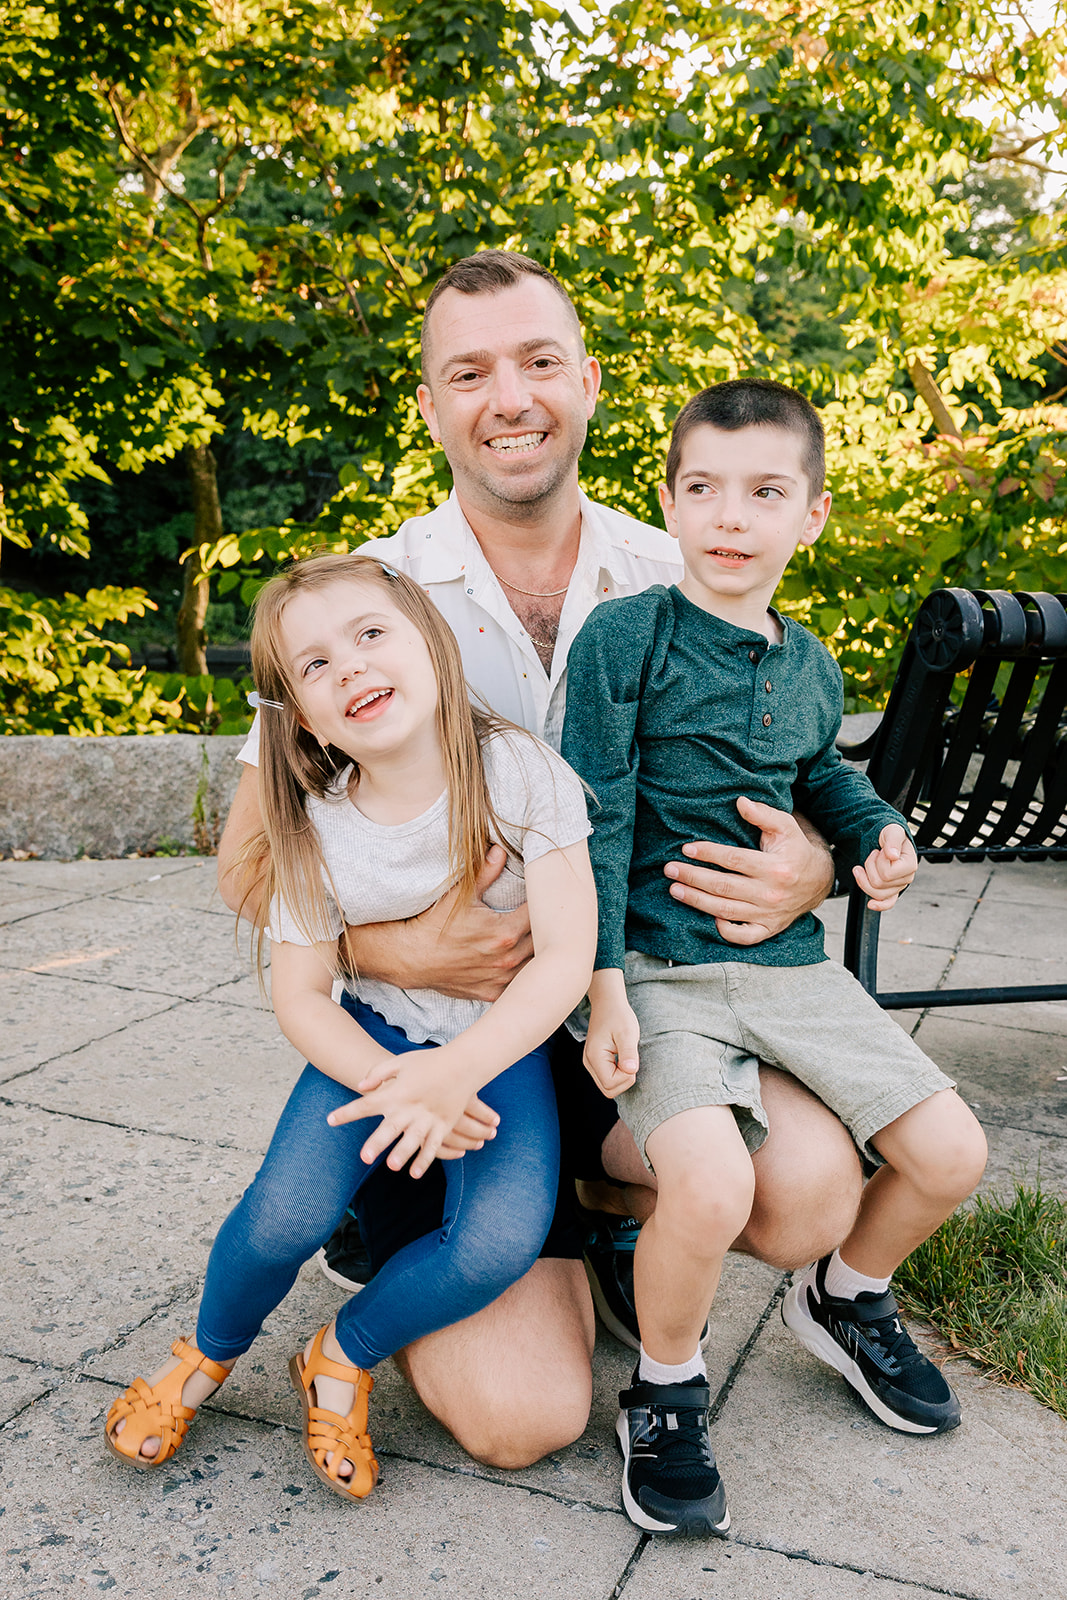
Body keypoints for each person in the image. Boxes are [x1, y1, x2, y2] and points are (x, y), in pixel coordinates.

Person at [218, 250, 864, 1468]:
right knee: (524, 1422)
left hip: (646, 1013)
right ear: (429, 406)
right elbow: (246, 864)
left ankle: (612, 1208)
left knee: (811, 1191)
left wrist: (814, 867)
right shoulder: (357, 600)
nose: (507, 395)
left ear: (588, 380)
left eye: (536, 361)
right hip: (452, 1043)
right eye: (468, 372)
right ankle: (454, 1228)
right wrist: (379, 944)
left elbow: (802, 781)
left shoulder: (687, 567)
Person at [561, 379, 988, 1536]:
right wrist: (600, 982)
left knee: (949, 1150)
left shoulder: (808, 664)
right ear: (667, 501)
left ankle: (843, 1296)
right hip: (655, 968)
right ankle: (663, 1386)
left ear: (810, 514)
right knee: (710, 1181)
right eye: (701, 488)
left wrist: (872, 835)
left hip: (789, 967)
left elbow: (819, 774)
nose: (728, 516)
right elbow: (591, 812)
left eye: (762, 492)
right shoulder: (625, 635)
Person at [105, 552, 597, 1498]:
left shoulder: (520, 773)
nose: (352, 669)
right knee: (284, 1216)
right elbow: (301, 998)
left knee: (496, 1242)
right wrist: (396, 1081)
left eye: (371, 635)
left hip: (496, 1050)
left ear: (432, 643)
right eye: (315, 666)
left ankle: (341, 1349)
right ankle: (206, 1354)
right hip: (371, 1048)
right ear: (297, 712)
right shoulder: (310, 826)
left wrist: (457, 1074)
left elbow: (563, 961)